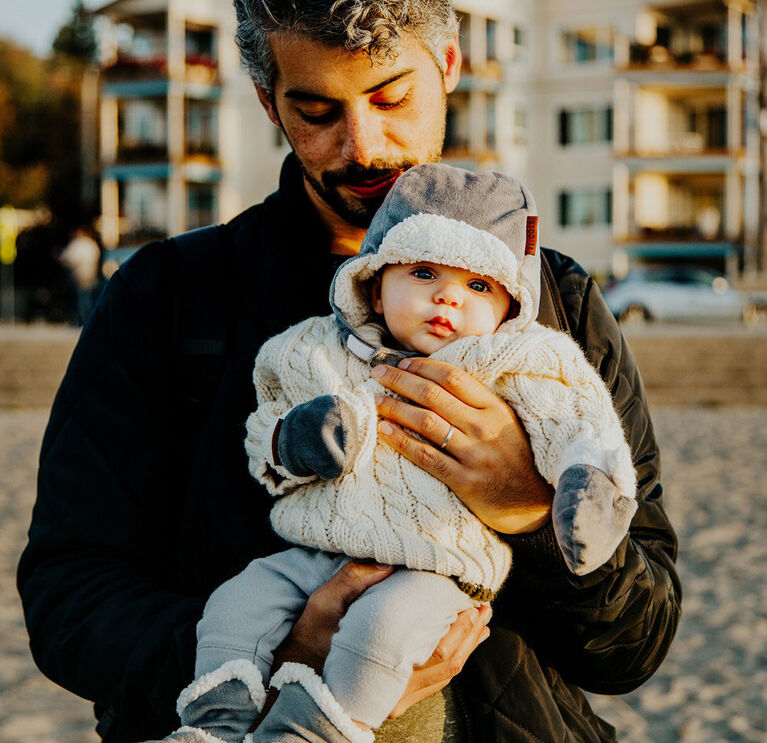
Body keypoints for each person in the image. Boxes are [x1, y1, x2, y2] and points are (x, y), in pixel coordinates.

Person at [17, 0, 681, 742]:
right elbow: (68, 592)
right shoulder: (165, 297)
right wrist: (270, 655)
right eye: (317, 111)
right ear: (269, 104)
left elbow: (636, 643)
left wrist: (527, 506)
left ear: (450, 64)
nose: (362, 145)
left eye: (391, 96)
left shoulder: (556, 300)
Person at [163, 164, 640, 743]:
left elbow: (579, 420)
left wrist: (583, 486)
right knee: (237, 603)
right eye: (422, 271)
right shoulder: (315, 348)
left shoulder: (521, 361)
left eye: (479, 286)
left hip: (439, 564)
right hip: (320, 549)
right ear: (373, 281)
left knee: (382, 629)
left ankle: (316, 732)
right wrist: (296, 439)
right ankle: (216, 721)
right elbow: (265, 427)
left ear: (511, 306)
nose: (447, 296)